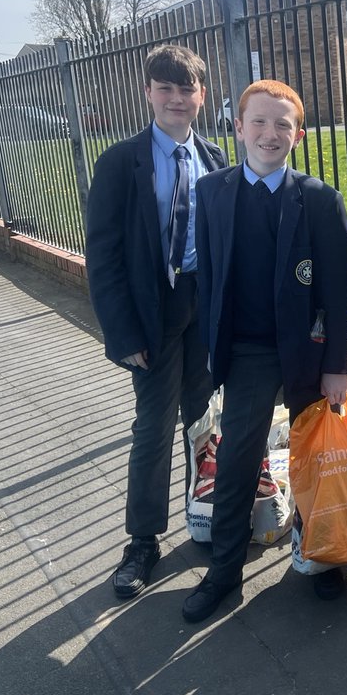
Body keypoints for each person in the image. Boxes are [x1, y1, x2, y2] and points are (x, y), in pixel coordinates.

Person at [183, 79, 347, 623]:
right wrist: (212, 357)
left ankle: (324, 560)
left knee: (315, 458)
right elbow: (208, 280)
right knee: (236, 462)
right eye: (258, 121)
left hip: (307, 349)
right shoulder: (212, 193)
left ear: (299, 135)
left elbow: (337, 291)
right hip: (248, 351)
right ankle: (224, 572)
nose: (270, 133)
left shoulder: (321, 200)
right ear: (237, 127)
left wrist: (335, 368)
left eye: (283, 124)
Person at [86, 44, 228, 600]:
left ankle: (205, 512)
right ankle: (142, 541)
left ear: (201, 96)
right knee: (154, 424)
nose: (176, 98)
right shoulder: (122, 162)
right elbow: (103, 256)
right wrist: (122, 335)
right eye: (164, 88)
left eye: (186, 89)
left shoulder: (214, 158)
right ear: (148, 93)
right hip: (154, 310)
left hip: (204, 308)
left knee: (203, 420)